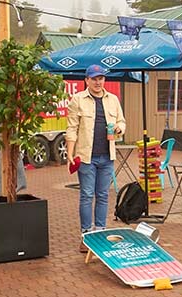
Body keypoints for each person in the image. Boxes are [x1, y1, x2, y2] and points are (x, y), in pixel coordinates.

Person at [66, 64, 126, 252]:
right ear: (87, 80)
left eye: (101, 78)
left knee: (103, 195)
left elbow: (121, 121)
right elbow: (72, 128)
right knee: (86, 195)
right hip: (86, 157)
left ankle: (100, 232)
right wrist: (70, 152)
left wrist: (119, 128)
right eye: (94, 78)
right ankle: (86, 236)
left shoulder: (113, 99)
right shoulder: (77, 99)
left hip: (107, 156)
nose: (98, 81)